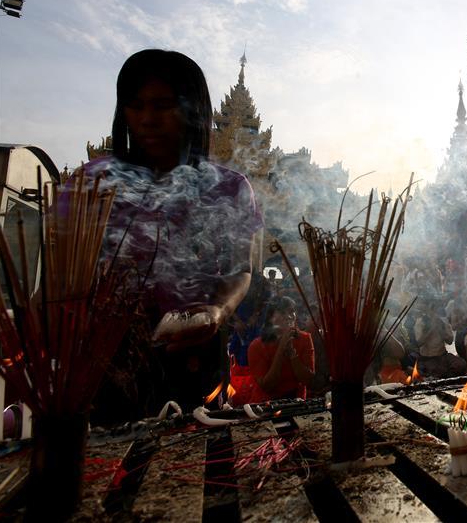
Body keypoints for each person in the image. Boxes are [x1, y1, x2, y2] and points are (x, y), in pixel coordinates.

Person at [74, 49, 261, 417]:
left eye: (162, 106)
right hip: (99, 360)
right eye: (135, 105)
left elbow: (241, 269)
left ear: (194, 112)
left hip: (191, 357)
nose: (147, 119)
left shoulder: (229, 188)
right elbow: (57, 275)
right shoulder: (92, 183)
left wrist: (218, 310)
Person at [247, 297, 315, 401]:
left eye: (292, 311)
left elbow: (308, 380)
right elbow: (267, 386)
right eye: (283, 312)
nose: (289, 316)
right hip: (266, 403)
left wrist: (291, 352)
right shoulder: (257, 346)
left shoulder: (304, 338)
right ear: (270, 318)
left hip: (297, 402)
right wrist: (281, 347)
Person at [413, 298, 467, 378]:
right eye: (431, 308)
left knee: (461, 364)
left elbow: (450, 341)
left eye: (434, 308)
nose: (433, 311)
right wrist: (431, 328)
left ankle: (444, 377)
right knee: (432, 372)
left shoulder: (442, 322)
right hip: (427, 359)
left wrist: (440, 328)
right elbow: (419, 342)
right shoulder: (421, 322)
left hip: (443, 356)